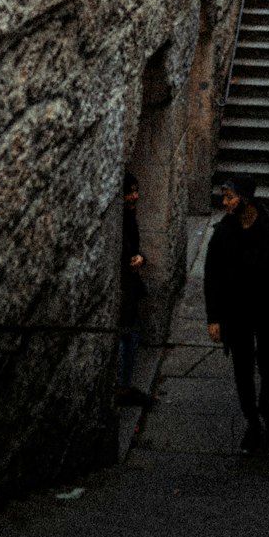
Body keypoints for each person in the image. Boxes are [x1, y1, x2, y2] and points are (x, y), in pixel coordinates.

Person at [204, 174, 269, 454]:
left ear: (243, 199)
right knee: (242, 368)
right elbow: (212, 278)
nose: (224, 203)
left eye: (229, 197)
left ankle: (266, 406)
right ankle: (251, 421)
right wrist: (214, 318)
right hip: (237, 312)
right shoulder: (223, 232)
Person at [117, 170, 151, 407]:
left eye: (136, 191)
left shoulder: (128, 218)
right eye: (130, 192)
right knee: (125, 335)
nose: (135, 196)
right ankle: (122, 386)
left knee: (130, 334)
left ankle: (125, 384)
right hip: (123, 287)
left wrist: (141, 259)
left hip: (129, 286)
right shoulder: (121, 219)